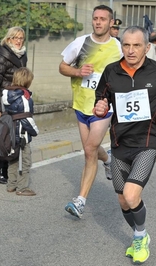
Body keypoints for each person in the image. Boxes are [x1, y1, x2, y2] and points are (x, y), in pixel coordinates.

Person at [93, 25, 156, 265]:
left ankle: (140, 236)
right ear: (121, 46)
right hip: (120, 142)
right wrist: (100, 106)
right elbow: (101, 98)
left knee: (132, 195)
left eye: (136, 45)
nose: (131, 50)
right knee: (123, 200)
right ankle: (139, 233)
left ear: (147, 47)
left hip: (148, 141)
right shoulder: (111, 71)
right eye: (126, 45)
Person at [58, 5, 122, 218]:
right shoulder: (80, 43)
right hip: (81, 104)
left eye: (103, 19)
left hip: (103, 107)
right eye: (95, 18)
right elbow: (62, 67)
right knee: (90, 149)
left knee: (89, 150)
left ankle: (80, 201)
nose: (98, 22)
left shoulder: (118, 48)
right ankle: (109, 159)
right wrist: (77, 71)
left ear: (111, 22)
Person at [0, 26, 28, 184]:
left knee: (12, 137)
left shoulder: (22, 55)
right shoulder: (2, 56)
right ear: (9, 39)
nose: (18, 41)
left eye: (21, 38)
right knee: (0, 136)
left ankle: (6, 170)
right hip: (4, 101)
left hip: (16, 101)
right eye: (15, 38)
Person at [2, 67, 39, 196]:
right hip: (23, 134)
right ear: (27, 81)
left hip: (10, 132)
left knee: (12, 158)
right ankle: (22, 188)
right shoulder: (25, 97)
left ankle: (11, 185)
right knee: (25, 161)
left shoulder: (6, 94)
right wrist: (35, 131)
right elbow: (26, 117)